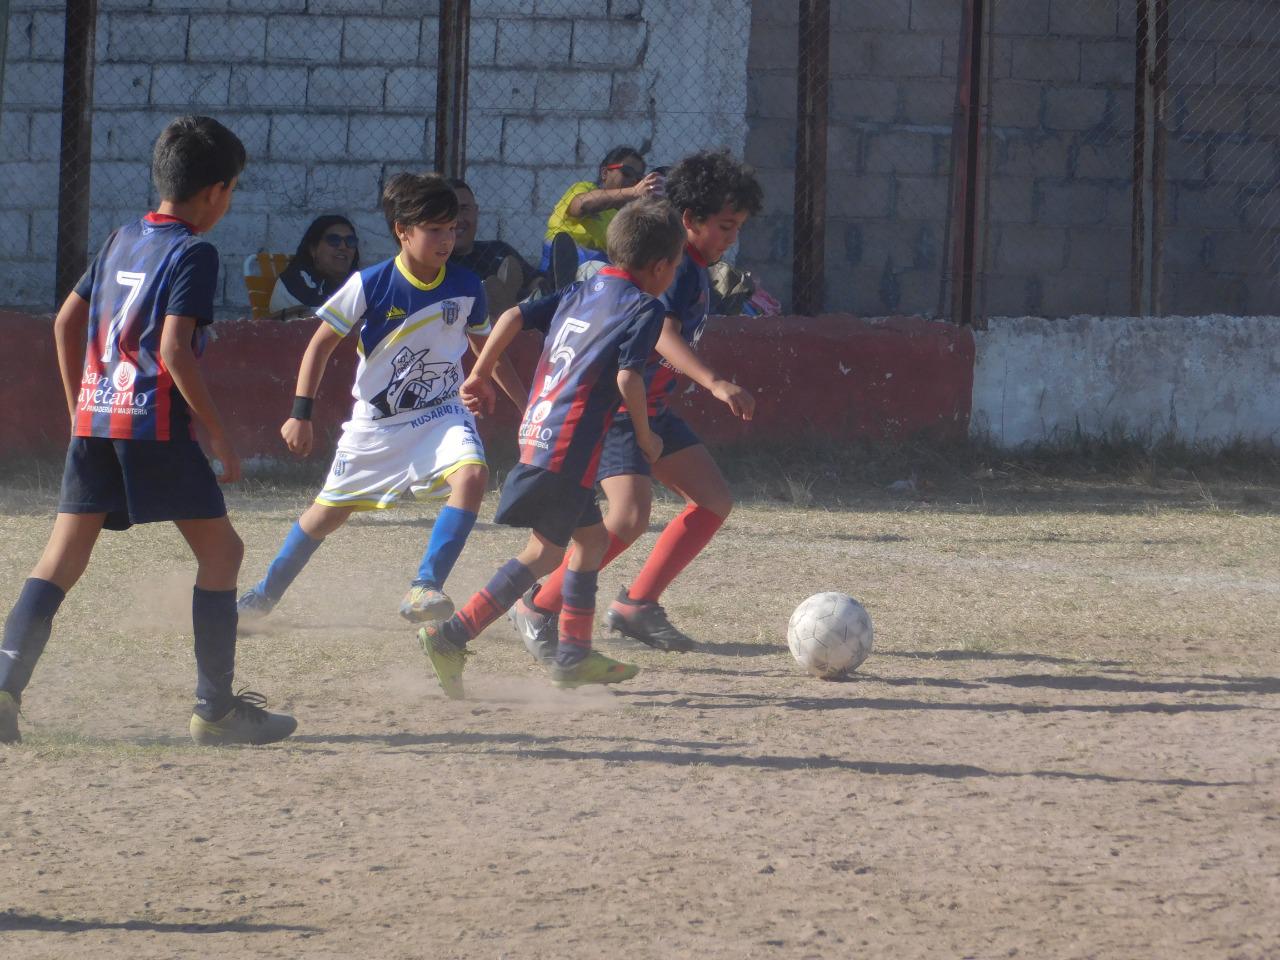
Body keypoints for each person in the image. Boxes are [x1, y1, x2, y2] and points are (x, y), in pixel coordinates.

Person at [0, 116, 296, 746]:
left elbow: (64, 324)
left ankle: (3, 688)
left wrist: (81, 401)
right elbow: (175, 351)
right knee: (223, 555)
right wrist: (216, 434)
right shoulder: (193, 250)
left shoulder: (120, 238)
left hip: (97, 419)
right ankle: (214, 711)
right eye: (234, 189)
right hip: (154, 423)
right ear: (216, 191)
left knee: (61, 557)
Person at [415, 196, 685, 699]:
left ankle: (572, 655)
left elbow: (513, 315)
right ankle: (453, 636)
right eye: (676, 267)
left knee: (590, 542)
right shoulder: (646, 306)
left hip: (541, 430)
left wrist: (478, 372)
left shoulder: (586, 285)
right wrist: (646, 437)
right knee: (543, 553)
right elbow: (629, 377)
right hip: (571, 444)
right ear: (661, 266)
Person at [236, 172, 525, 629]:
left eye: (452, 229)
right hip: (376, 425)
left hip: (441, 412)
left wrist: (526, 408)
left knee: (472, 475)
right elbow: (319, 345)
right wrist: (300, 414)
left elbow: (485, 350)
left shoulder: (468, 287)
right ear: (402, 231)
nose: (447, 239)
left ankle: (425, 585)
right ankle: (261, 597)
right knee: (325, 516)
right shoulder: (370, 284)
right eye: (434, 230)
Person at [510, 150, 763, 660]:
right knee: (626, 519)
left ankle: (636, 605)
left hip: (653, 410)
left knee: (713, 500)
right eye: (726, 226)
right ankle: (538, 604)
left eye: (738, 228)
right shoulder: (668, 267)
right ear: (690, 220)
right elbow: (663, 332)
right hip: (619, 410)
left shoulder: (691, 265)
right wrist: (715, 382)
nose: (732, 238)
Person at [541, 146, 665, 288]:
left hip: (596, 274)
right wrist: (633, 192)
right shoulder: (585, 188)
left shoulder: (627, 213)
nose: (633, 180)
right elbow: (581, 205)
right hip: (561, 262)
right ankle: (545, 288)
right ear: (605, 173)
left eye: (638, 179)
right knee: (597, 269)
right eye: (627, 173)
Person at [268, 214, 360, 317]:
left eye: (350, 241)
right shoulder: (292, 282)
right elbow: (322, 317)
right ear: (313, 249)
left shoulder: (358, 283)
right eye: (334, 240)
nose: (343, 247)